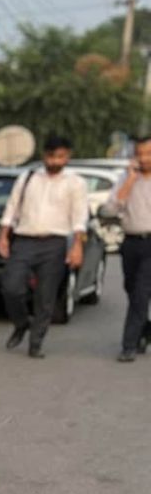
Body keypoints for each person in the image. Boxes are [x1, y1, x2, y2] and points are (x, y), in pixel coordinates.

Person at [0, 135, 87, 359]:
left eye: (60, 157)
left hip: (54, 244)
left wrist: (77, 246)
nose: (55, 161)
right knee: (11, 287)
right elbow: (11, 209)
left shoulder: (75, 183)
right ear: (44, 155)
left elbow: (79, 217)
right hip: (24, 240)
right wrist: (3, 237)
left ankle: (36, 343)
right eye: (51, 156)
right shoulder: (27, 178)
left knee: (45, 297)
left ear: (68, 157)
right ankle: (21, 323)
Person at [114, 135, 151, 363]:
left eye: (148, 153)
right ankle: (146, 329)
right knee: (131, 288)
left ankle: (129, 344)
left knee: (140, 292)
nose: (144, 159)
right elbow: (112, 206)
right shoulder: (126, 179)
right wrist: (130, 180)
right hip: (131, 242)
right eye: (140, 154)